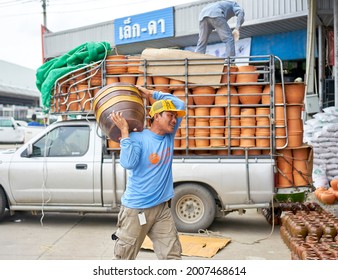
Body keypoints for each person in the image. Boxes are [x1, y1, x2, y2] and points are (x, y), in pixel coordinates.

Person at [110, 86, 185, 260]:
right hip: (137, 209)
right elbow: (128, 163)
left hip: (161, 209)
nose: (174, 120)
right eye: (170, 116)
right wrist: (125, 133)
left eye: (175, 117)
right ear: (156, 116)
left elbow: (180, 104)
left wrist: (152, 94)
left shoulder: (169, 135)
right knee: (123, 259)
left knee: (172, 256)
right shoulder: (137, 138)